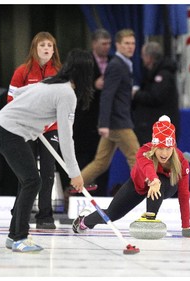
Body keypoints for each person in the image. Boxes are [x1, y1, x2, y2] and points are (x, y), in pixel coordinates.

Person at [0, 49, 94, 252]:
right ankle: (20, 237)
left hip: (4, 128)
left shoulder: (52, 82)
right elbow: (65, 137)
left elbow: (21, 92)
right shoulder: (66, 93)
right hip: (8, 131)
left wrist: (32, 115)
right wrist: (75, 174)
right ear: (85, 73)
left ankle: (13, 236)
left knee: (27, 181)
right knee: (32, 181)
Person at [72, 115, 190, 233]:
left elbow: (184, 194)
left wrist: (186, 226)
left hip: (164, 187)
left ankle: (150, 218)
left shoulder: (181, 162)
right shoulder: (143, 152)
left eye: (168, 148)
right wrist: (153, 180)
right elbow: (147, 167)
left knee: (161, 179)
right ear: (154, 146)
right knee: (111, 215)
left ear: (173, 147)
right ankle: (84, 221)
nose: (164, 153)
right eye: (160, 148)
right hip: (138, 185)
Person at [7, 31, 62, 229]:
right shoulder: (22, 71)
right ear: (35, 48)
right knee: (27, 172)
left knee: (48, 171)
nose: (46, 49)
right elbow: (11, 100)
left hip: (50, 128)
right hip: (27, 129)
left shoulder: (59, 72)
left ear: (54, 49)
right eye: (42, 45)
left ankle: (45, 215)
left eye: (50, 45)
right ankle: (20, 212)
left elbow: (62, 102)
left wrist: (49, 122)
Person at [80, 29, 140, 190]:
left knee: (101, 162)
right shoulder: (116, 65)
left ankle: (72, 189)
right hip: (118, 121)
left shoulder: (123, 64)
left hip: (116, 120)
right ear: (118, 45)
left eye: (133, 43)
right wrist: (104, 123)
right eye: (126, 43)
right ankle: (146, 194)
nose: (130, 47)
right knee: (136, 158)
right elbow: (107, 95)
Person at [72, 28, 112, 197]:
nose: (107, 47)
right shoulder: (84, 62)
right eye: (103, 44)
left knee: (102, 161)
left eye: (109, 44)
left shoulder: (114, 62)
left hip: (105, 122)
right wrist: (93, 86)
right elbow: (75, 88)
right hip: (85, 120)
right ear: (94, 43)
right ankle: (79, 196)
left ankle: (101, 196)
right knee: (84, 159)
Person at [132, 41, 180, 145]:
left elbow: (156, 97)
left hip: (159, 128)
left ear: (149, 57)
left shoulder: (163, 75)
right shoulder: (153, 74)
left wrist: (136, 94)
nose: (141, 58)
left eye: (143, 55)